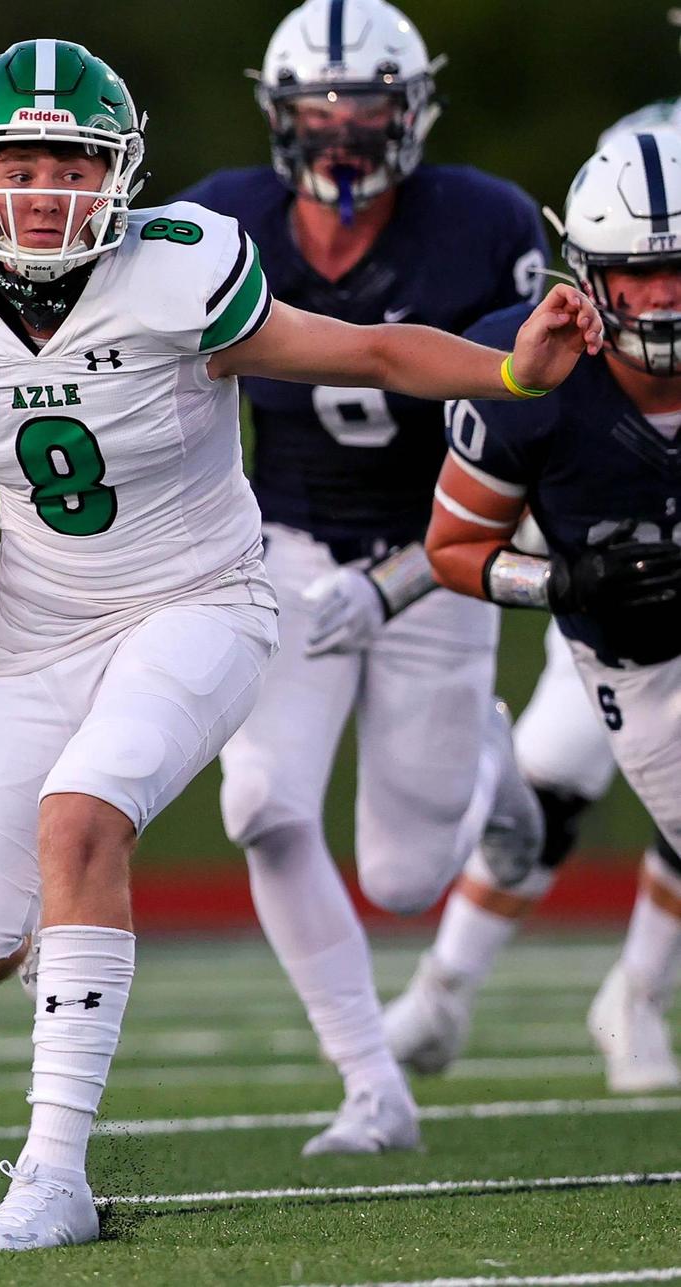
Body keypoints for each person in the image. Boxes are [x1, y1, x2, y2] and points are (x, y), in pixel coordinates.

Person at [0, 38, 598, 1253]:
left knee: (82, 817)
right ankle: (64, 945)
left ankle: (55, 1174)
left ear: (119, 172)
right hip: (37, 622)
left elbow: (370, 349)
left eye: (73, 162)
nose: (46, 189)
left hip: (202, 596)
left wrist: (513, 373)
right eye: (19, 161)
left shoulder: (178, 275)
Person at [177, 0, 549, 1153]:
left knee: (401, 877)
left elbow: (534, 433)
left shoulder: (483, 226)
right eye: (316, 108)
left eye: (365, 107)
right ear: (277, 117)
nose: (340, 131)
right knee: (261, 804)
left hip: (440, 554)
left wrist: (405, 574)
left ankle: (491, 763)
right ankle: (372, 1085)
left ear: (411, 111)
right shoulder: (218, 222)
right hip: (280, 544)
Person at [385, 116, 681, 1095]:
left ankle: (634, 995)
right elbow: (454, 549)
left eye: (678, 266)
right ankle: (448, 991)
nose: (662, 297)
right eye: (636, 272)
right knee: (549, 789)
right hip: (632, 655)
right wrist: (561, 582)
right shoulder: (533, 372)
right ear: (584, 273)